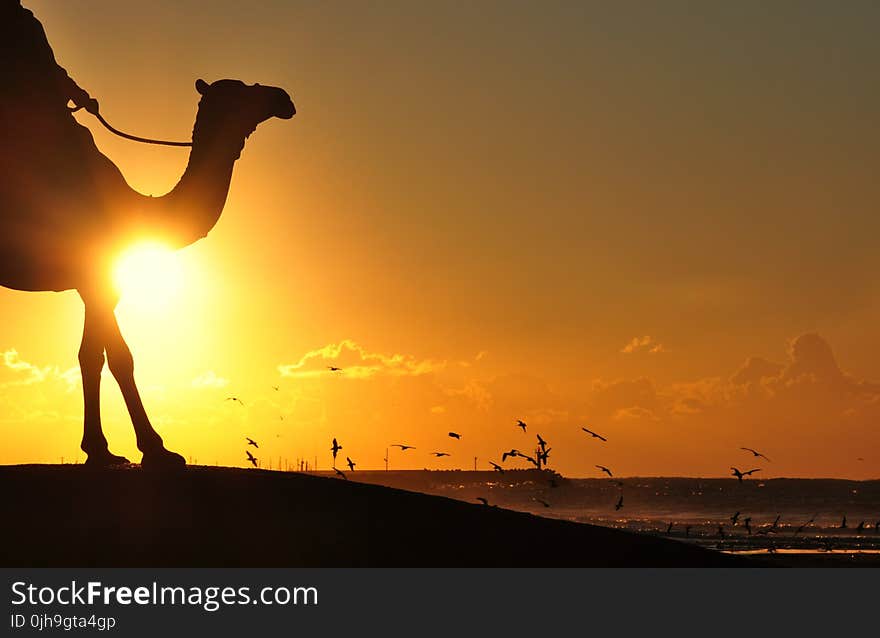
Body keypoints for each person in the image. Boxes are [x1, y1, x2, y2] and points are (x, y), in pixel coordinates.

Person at [0, 0, 98, 121]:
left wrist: (80, 97)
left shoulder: (29, 24)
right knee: (77, 137)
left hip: (31, 106)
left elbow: (50, 68)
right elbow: (50, 68)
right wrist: (80, 96)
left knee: (79, 136)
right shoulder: (28, 25)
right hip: (31, 108)